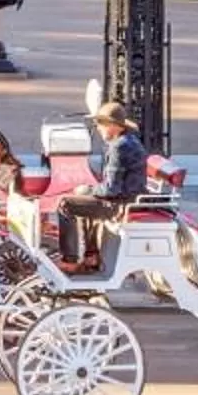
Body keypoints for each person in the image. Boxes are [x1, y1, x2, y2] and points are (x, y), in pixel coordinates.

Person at [57, 102, 150, 271]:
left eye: (101, 124)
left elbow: (110, 190)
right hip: (128, 198)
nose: (98, 128)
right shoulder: (125, 141)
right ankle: (91, 256)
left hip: (122, 204)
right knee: (83, 199)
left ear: (114, 126)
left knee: (65, 205)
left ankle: (69, 260)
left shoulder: (120, 147)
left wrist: (88, 189)